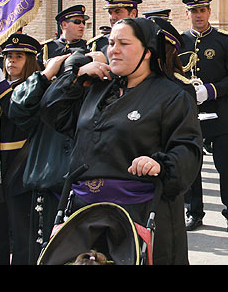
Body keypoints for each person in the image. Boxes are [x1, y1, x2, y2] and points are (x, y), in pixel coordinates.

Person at [39, 17, 202, 265]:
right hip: (85, 215)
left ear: (147, 52)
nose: (113, 49)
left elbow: (188, 148)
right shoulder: (97, 88)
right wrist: (76, 76)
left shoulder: (171, 95)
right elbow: (52, 113)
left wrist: (160, 164)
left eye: (123, 43)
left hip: (140, 212)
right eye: (111, 42)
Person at [0, 33, 42, 265]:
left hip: (19, 169)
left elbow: (20, 113)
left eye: (18, 57)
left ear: (30, 60)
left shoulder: (35, 86)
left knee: (23, 239)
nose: (11, 61)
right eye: (8, 57)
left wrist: (1, 88)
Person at [179, 0, 228, 234]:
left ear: (209, 12)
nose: (198, 15)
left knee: (226, 167)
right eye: (194, 11)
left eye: (202, 10)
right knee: (191, 167)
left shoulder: (225, 40)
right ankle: (193, 212)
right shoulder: (180, 42)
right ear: (187, 14)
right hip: (189, 113)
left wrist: (211, 91)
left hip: (219, 111)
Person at [7, 51, 72, 264]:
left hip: (85, 188)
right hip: (50, 184)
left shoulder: (97, 95)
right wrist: (44, 77)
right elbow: (18, 108)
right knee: (44, 250)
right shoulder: (45, 100)